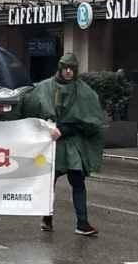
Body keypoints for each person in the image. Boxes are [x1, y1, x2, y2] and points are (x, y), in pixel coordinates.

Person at [17, 53, 103, 236]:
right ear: (60, 68)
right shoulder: (45, 88)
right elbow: (30, 106)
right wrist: (47, 127)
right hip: (51, 144)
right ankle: (47, 218)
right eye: (65, 68)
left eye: (72, 68)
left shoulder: (83, 90)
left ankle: (82, 222)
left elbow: (91, 119)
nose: (69, 72)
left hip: (71, 144)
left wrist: (65, 129)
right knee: (49, 183)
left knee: (77, 182)